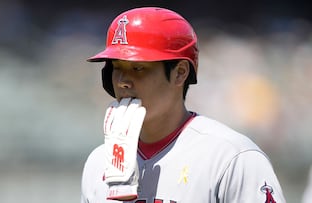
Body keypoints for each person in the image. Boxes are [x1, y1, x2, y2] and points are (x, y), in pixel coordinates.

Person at [81, 7, 286, 203]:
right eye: (117, 67)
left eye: (138, 67)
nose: (123, 81)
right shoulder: (98, 163)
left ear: (180, 72)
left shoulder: (230, 156)